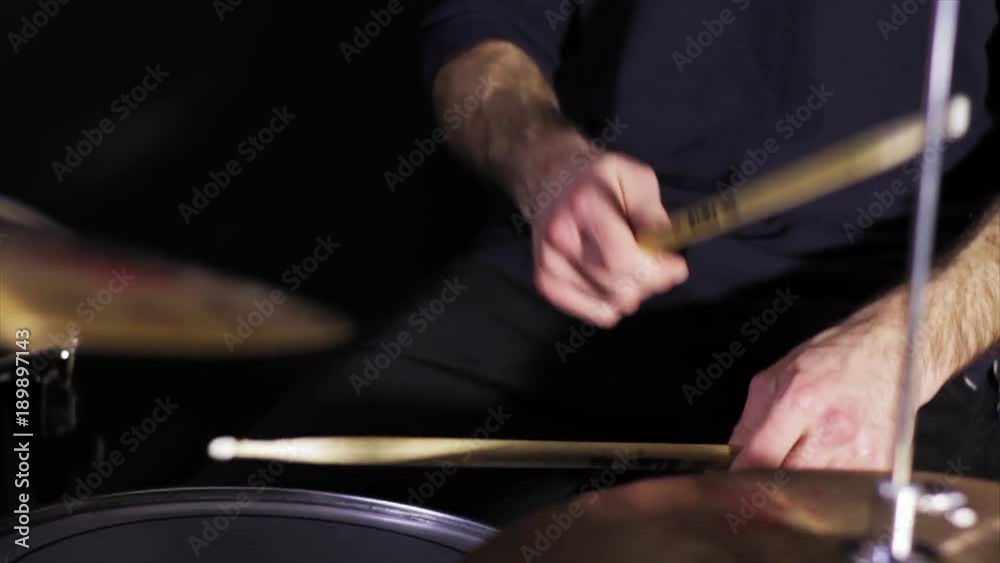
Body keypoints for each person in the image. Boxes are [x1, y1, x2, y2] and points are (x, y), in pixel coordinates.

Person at [197, 1, 998, 523]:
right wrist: (543, 162)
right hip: (590, 269)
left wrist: (907, 345)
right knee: (269, 523)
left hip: (903, 315)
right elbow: (477, 33)